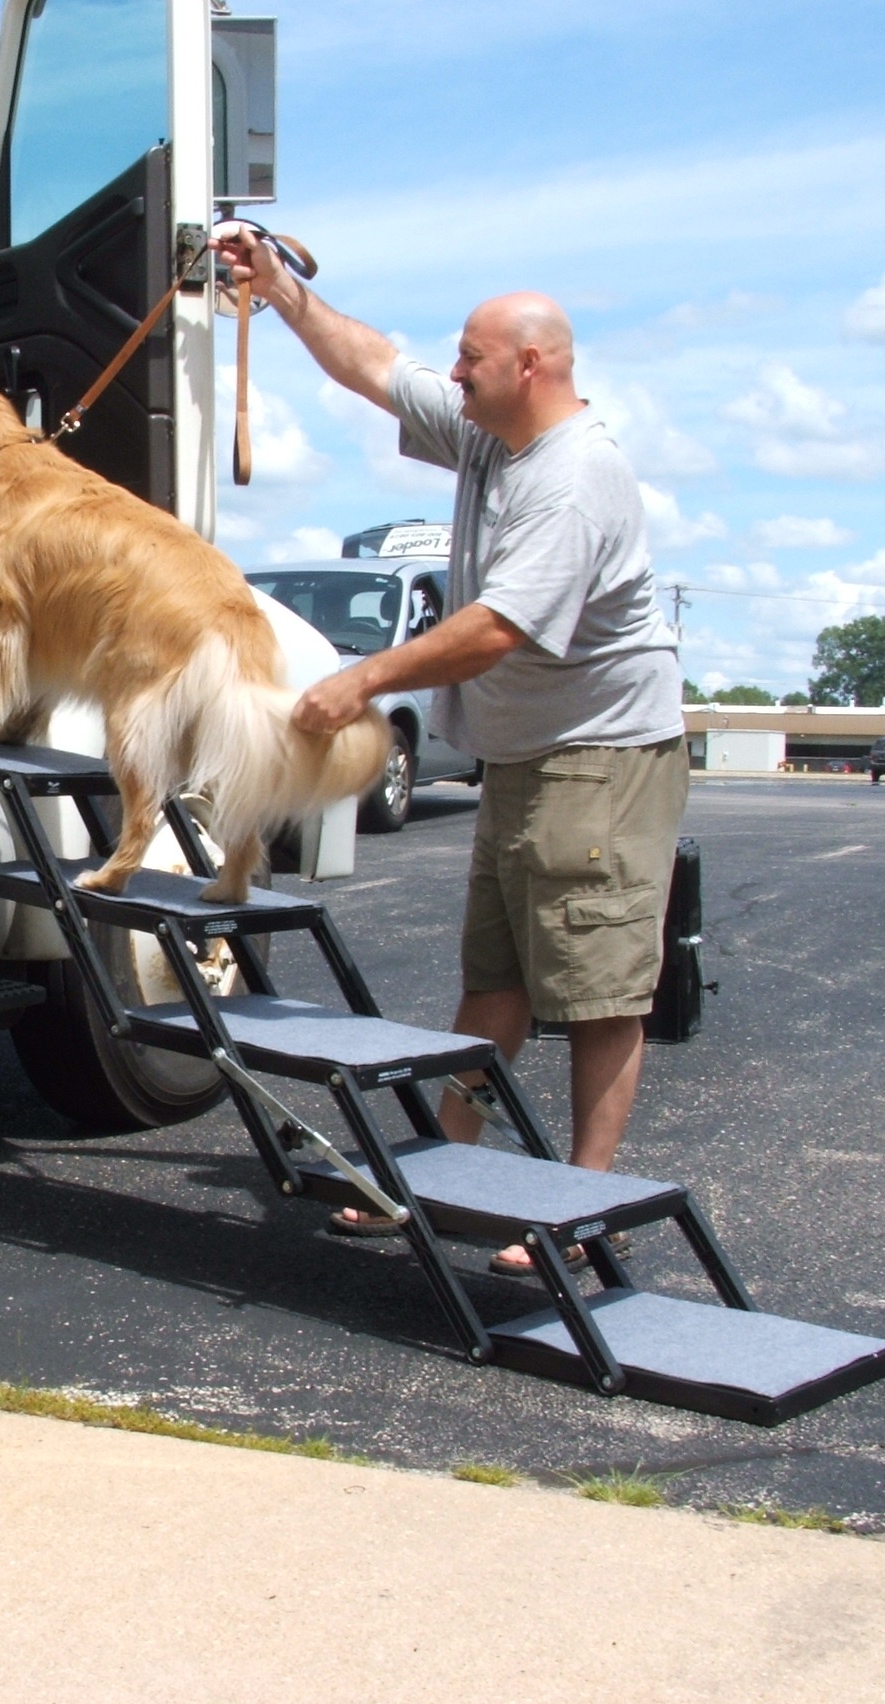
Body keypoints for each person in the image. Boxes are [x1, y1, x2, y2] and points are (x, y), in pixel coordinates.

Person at [212, 226, 687, 1276]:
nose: (453, 371)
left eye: (470, 357)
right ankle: (429, 1175)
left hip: (599, 758)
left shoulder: (575, 478)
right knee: (497, 981)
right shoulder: (487, 433)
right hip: (527, 757)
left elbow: (498, 628)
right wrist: (279, 292)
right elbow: (375, 366)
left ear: (531, 366)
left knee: (596, 992)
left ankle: (582, 1209)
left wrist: (360, 678)